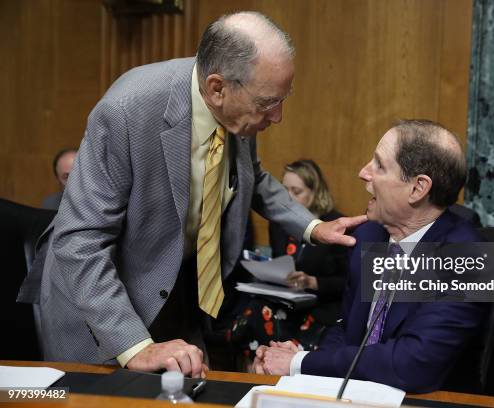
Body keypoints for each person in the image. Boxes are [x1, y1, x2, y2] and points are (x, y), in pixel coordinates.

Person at [24, 11, 365, 378]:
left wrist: (314, 227)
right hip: (101, 308)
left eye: (284, 99)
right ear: (217, 88)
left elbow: (254, 178)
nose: (278, 116)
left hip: (175, 291)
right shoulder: (125, 111)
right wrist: (134, 347)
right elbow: (80, 241)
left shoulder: (237, 106)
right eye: (268, 103)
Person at [254, 119, 486, 392]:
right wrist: (305, 371)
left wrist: (299, 363)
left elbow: (414, 364)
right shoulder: (369, 236)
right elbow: (347, 330)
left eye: (379, 165)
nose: (363, 172)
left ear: (418, 188)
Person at [232, 159, 348, 355]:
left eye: (297, 191)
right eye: (285, 191)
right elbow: (282, 263)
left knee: (278, 327)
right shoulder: (279, 224)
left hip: (320, 306)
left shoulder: (333, 226)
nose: (290, 197)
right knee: (252, 314)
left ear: (315, 192)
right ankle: (255, 372)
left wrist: (312, 282)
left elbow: (346, 283)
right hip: (285, 301)